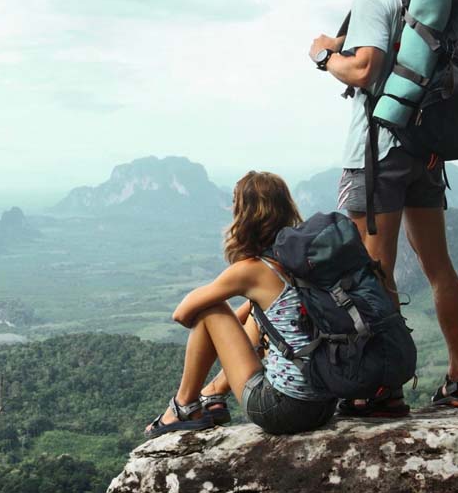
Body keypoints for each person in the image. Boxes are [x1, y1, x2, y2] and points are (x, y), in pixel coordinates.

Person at [308, 0, 458, 414]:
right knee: (439, 268)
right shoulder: (433, 1)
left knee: (373, 271)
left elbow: (363, 70)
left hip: (379, 152)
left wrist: (323, 56)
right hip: (427, 152)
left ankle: (380, 387)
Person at [144, 171, 337, 438]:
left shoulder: (253, 270)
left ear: (244, 214)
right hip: (324, 404)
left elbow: (183, 313)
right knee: (254, 313)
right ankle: (213, 395)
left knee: (212, 309)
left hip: (283, 410)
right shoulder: (302, 260)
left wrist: (214, 322)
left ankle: (183, 406)